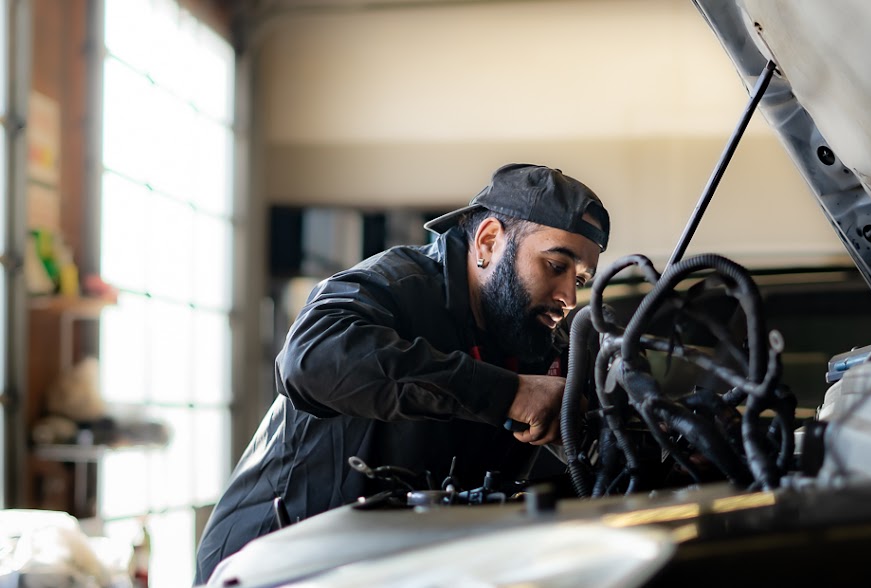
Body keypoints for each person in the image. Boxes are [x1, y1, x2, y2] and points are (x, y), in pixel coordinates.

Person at [193, 163, 611, 583]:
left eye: (580, 280)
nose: (568, 297)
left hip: (387, 566)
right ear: (488, 241)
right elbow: (309, 360)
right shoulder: (394, 285)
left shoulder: (537, 341)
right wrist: (507, 393)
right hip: (270, 564)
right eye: (555, 266)